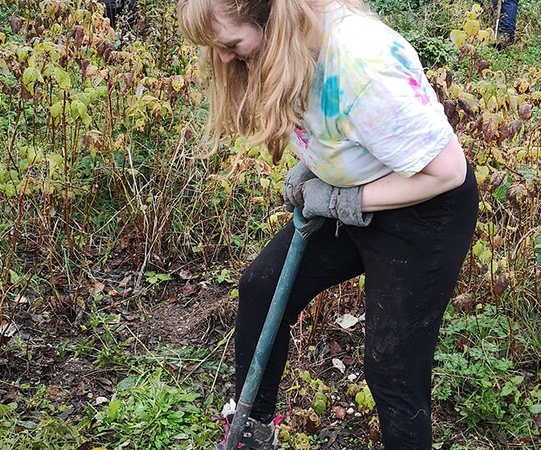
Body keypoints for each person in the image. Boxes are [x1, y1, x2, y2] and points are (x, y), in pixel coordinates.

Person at [176, 0, 479, 448]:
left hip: (424, 211)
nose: (223, 57)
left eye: (231, 43)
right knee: (263, 287)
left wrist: (339, 199)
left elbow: (447, 172)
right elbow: (340, 124)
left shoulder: (362, 64)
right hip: (358, 194)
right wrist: (318, 166)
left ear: (272, 18)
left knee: (392, 370)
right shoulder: (296, 41)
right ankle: (251, 434)